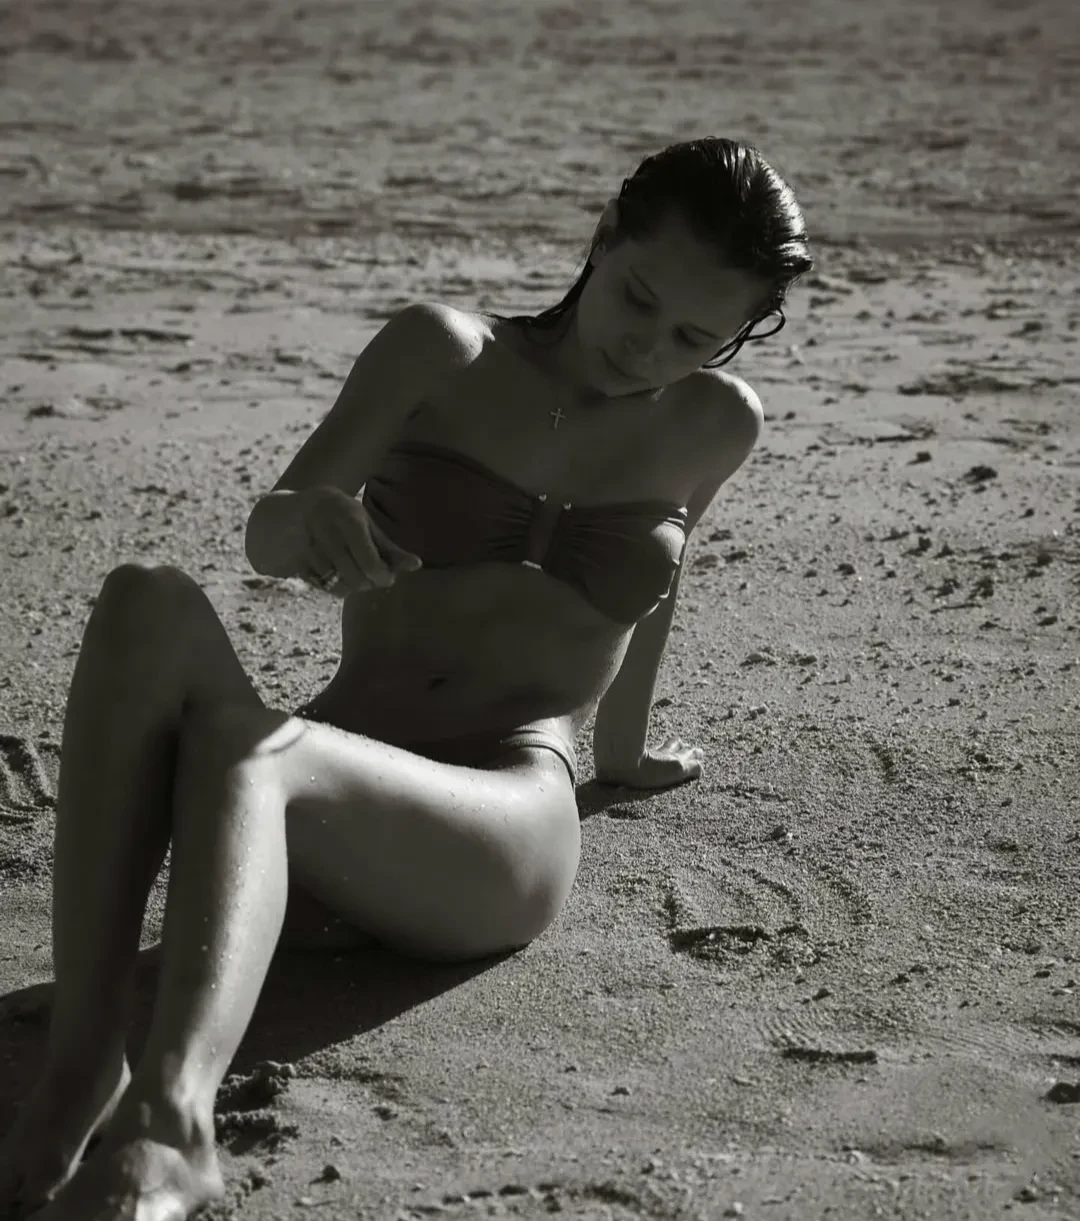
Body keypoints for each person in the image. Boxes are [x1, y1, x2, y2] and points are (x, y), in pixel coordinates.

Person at [0, 136, 812, 1220]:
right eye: (638, 298)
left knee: (250, 748)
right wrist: (311, 523)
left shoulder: (718, 420)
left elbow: (654, 592)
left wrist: (622, 753)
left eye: (694, 337)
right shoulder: (444, 351)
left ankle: (173, 1124)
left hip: (498, 819)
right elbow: (271, 530)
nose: (647, 346)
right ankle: (82, 1060)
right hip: (325, 791)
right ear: (604, 236)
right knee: (145, 598)